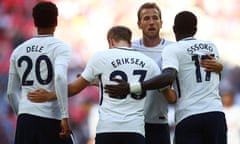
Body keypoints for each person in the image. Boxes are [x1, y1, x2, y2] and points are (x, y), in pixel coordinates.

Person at [27, 25, 177, 144]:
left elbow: (74, 88)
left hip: (107, 130)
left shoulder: (101, 57)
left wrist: (50, 95)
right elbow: (169, 97)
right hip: (135, 131)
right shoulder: (149, 63)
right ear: (130, 42)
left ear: (111, 41)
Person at [104, 11, 227, 144]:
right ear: (195, 29)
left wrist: (133, 87)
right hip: (216, 115)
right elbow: (216, 77)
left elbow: (169, 76)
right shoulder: (211, 47)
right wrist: (220, 67)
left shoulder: (173, 49)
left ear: (174, 29)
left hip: (189, 116)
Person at [7, 1, 73, 144]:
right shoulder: (61, 47)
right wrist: (65, 116)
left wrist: (23, 116)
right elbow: (60, 77)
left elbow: (11, 93)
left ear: (34, 22)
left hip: (25, 120)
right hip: (50, 118)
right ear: (56, 21)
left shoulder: (18, 50)